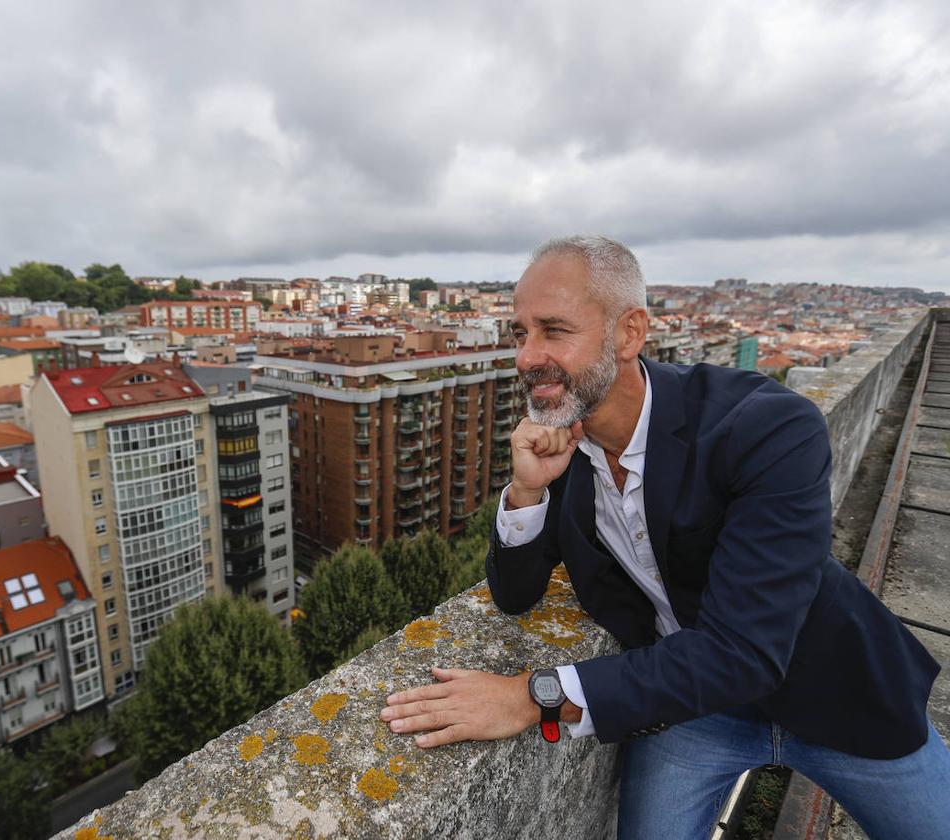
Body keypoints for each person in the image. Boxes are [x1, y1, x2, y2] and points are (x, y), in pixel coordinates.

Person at [379, 235, 949, 838]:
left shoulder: (766, 427)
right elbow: (516, 596)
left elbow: (745, 652)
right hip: (694, 712)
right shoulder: (564, 451)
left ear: (629, 333)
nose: (526, 357)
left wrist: (533, 696)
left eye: (553, 330)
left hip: (836, 692)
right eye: (520, 333)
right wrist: (525, 493)